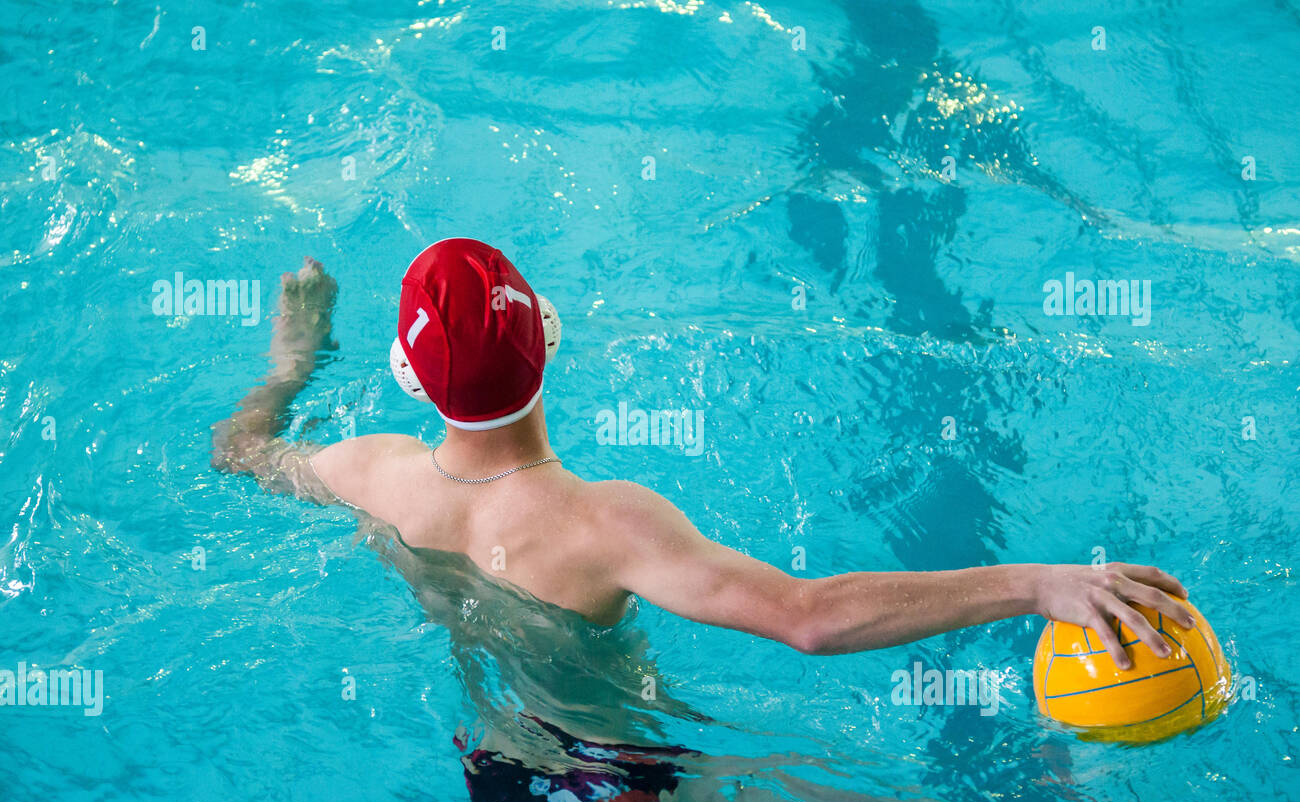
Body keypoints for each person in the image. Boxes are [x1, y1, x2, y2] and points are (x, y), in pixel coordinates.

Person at [211, 238, 1194, 668]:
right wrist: (1033, 583)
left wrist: (292, 361)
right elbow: (805, 619)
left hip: (493, 767)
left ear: (409, 376)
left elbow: (238, 450)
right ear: (546, 332)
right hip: (621, 797)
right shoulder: (604, 523)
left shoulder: (367, 469)